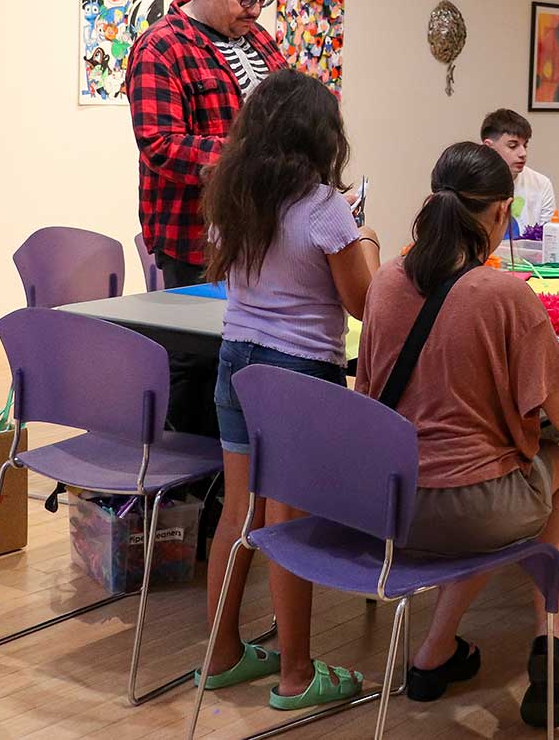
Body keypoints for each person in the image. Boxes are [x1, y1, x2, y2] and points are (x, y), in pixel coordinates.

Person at [356, 142, 559, 729]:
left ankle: (435, 654)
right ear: (501, 215)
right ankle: (550, 637)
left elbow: (366, 395)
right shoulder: (507, 296)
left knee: (484, 500)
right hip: (471, 509)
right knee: (556, 470)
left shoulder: (383, 283)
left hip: (389, 504)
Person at [199, 70, 380, 710]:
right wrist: (369, 239)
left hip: (236, 363)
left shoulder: (231, 198)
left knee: (239, 511)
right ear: (319, 136)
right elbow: (363, 304)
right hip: (300, 373)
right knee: (289, 523)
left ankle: (221, 654)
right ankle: (298, 674)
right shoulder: (326, 207)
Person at [127, 0, 286, 434]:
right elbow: (160, 143)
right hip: (194, 236)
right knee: (198, 361)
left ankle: (234, 472)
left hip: (262, 232)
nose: (256, 10)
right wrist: (246, 160)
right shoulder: (161, 46)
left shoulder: (261, 41)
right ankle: (187, 489)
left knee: (253, 353)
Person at [481, 108, 557, 235]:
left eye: (525, 145)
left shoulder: (541, 184)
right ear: (489, 147)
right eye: (513, 146)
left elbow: (548, 238)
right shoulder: (471, 183)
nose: (523, 153)